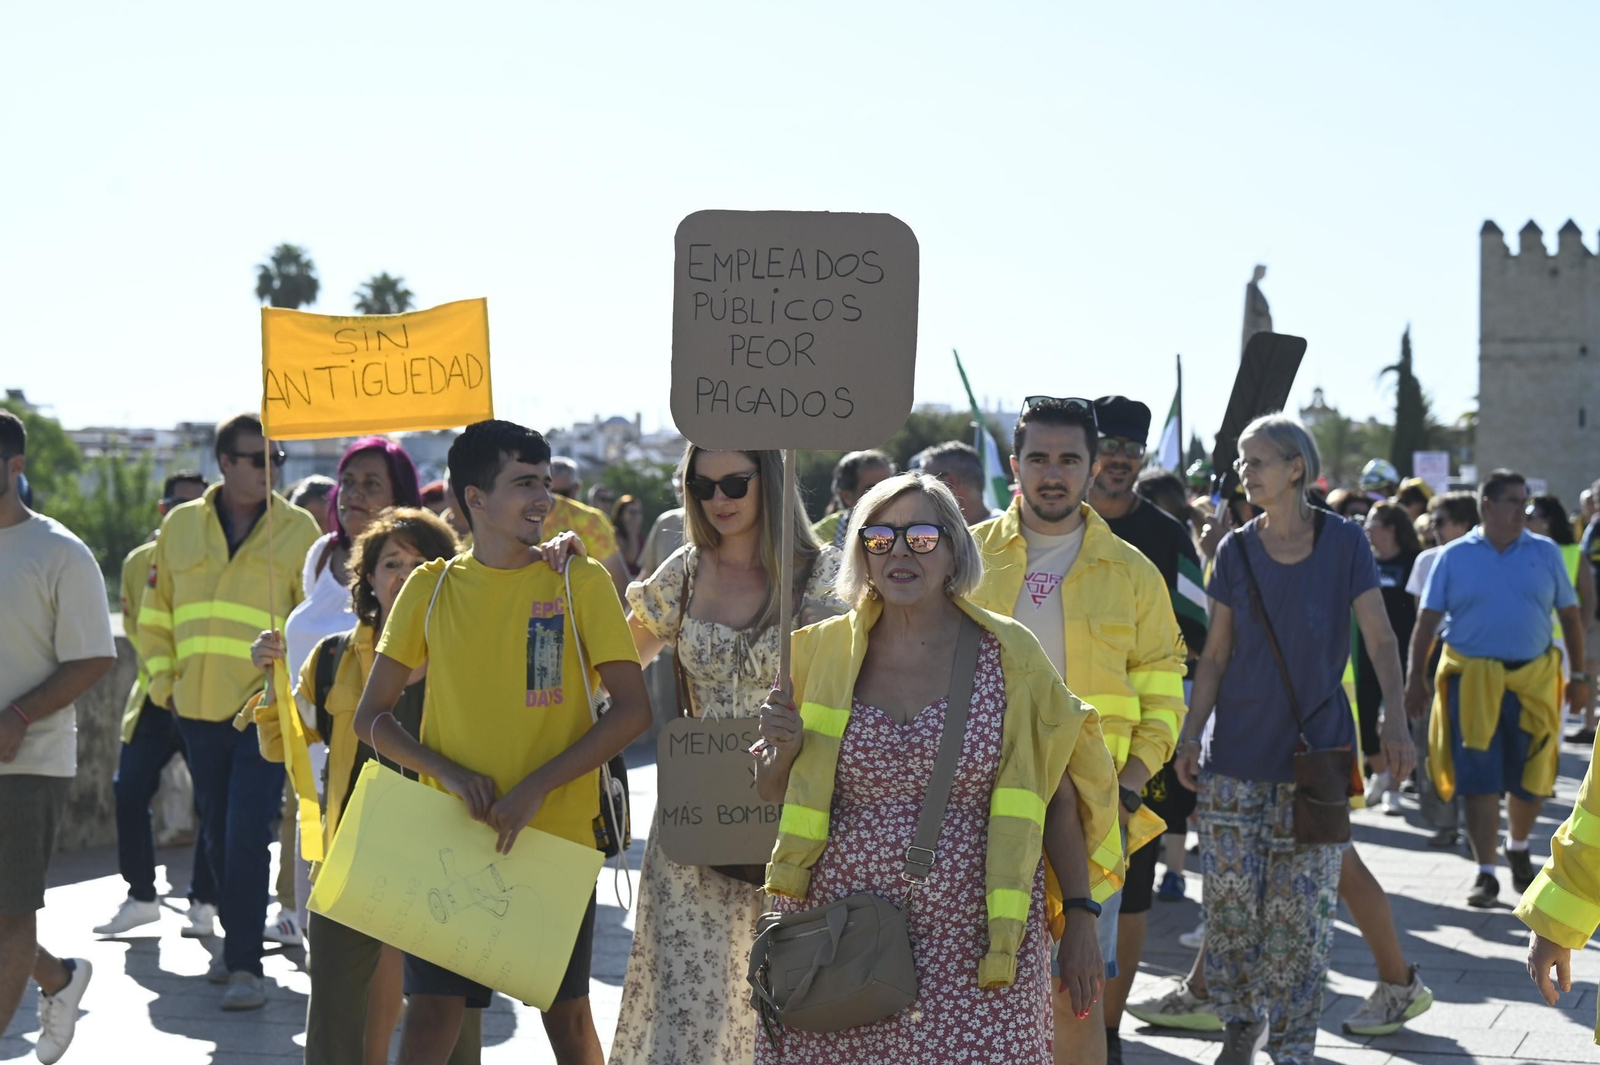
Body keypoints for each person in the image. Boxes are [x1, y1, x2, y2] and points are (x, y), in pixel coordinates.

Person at [751, 472, 1121, 1064]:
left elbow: (1054, 796)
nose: (899, 551)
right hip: (846, 940)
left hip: (978, 945)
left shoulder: (1012, 654)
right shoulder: (815, 652)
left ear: (953, 550)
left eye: (921, 536)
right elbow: (771, 791)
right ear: (861, 554)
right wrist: (782, 752)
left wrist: (1080, 916)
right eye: (880, 538)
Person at [352, 420, 653, 1065]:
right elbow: (370, 718)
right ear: (474, 499)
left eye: (546, 482)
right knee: (431, 1017)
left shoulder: (580, 581)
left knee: (566, 1023)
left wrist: (536, 788)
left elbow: (633, 712)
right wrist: (452, 776)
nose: (543, 498)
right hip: (450, 839)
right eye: (524, 484)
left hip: (556, 838)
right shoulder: (428, 590)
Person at [1173, 414, 1416, 1065]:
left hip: (1318, 760)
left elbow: (1381, 638)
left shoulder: (1345, 543)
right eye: (1243, 461)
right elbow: (1216, 656)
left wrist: (1395, 717)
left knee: (1300, 918)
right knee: (1228, 906)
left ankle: (1295, 1044)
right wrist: (1191, 733)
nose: (1244, 472)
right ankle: (1236, 1026)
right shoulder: (1235, 549)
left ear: (1296, 469)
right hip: (1234, 758)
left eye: (1257, 461)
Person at [968, 396, 1186, 1065]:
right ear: (1014, 466)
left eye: (1068, 458)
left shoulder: (1133, 572)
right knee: (974, 983)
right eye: (1039, 457)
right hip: (974, 806)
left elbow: (1164, 680)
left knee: (1076, 988)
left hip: (1093, 811)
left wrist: (1128, 783)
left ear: (1092, 468)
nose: (1053, 473)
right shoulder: (964, 558)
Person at [609, 446, 843, 1065]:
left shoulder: (824, 575)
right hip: (695, 824)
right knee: (692, 1011)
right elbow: (608, 666)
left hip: (799, 821)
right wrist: (567, 576)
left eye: (736, 482)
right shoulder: (682, 573)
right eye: (702, 483)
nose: (719, 499)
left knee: (791, 1010)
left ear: (769, 480)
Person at [251, 507, 481, 1065]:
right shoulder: (332, 658)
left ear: (448, 573)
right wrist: (271, 680)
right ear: (369, 579)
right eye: (390, 563)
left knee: (454, 1016)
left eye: (422, 562)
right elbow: (283, 742)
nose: (404, 574)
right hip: (353, 849)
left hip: (450, 855)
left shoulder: (476, 658)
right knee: (333, 1014)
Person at [139, 412, 323, 1009]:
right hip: (193, 708)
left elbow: (310, 623)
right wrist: (164, 683)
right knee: (215, 830)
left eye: (279, 460)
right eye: (258, 458)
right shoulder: (180, 528)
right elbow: (154, 610)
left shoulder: (298, 531)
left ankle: (245, 964)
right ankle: (235, 947)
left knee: (247, 831)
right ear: (226, 462)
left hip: (264, 710)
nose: (272, 469)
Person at [1073, 396, 1206, 1058]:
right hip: (1055, 750)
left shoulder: (1169, 537)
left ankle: (1109, 1029)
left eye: (1132, 448)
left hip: (1139, 756)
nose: (1120, 457)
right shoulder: (1054, 529)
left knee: (1130, 893)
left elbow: (1203, 633)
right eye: (1110, 445)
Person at [1404, 470, 1587, 907]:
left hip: (1534, 681)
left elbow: (1570, 614)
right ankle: (1485, 873)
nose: (1523, 511)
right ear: (1487, 505)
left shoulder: (1544, 553)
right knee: (1479, 781)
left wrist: (1580, 678)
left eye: (1526, 502)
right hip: (1472, 682)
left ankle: (1518, 845)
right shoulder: (1453, 557)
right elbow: (1427, 622)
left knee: (1532, 781)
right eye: (1513, 502)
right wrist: (1415, 679)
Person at [269, 436, 422, 948]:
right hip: (312, 763)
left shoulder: (419, 571)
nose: (352, 494)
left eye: (371, 484)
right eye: (347, 482)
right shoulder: (319, 555)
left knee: (384, 932)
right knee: (325, 930)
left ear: (401, 493)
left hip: (381, 764)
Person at [0, 410, 117, 1064]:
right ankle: (59, 979)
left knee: (12, 913)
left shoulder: (61, 552)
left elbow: (95, 656)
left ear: (15, 467)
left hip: (29, 764)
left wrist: (18, 717)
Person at [94, 470, 217, 938]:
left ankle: (205, 902)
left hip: (207, 699)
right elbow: (137, 626)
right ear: (164, 510)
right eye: (178, 506)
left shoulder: (217, 563)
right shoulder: (137, 562)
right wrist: (165, 683)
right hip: (154, 697)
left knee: (213, 802)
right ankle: (141, 897)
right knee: (128, 791)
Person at [1405, 490, 1479, 847]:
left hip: (1475, 662)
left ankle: (1476, 821)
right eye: (1432, 521)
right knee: (1431, 743)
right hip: (1435, 659)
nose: (1433, 528)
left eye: (1442, 521)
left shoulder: (1485, 559)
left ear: (1465, 523)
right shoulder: (1426, 561)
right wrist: (1415, 674)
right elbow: (1423, 620)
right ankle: (1444, 821)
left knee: (1473, 743)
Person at [1355, 502, 1422, 815]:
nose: (1368, 529)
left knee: (1399, 721)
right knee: (1366, 721)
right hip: (1366, 653)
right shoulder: (1363, 560)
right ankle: (1380, 774)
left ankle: (1393, 790)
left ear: (1392, 529)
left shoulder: (1412, 562)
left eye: (1374, 523)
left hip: (1402, 652)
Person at [1526, 494, 1596, 689]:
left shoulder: (1574, 552)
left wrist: (1579, 632)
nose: (1525, 519)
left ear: (1548, 519)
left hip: (1563, 642)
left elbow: (1589, 598)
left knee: (1557, 707)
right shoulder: (1520, 551)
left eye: (1530, 515)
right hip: (1530, 638)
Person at [545, 456, 631, 599]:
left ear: (577, 487)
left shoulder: (591, 521)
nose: (557, 499)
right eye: (550, 492)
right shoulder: (526, 517)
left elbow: (619, 584)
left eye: (563, 493)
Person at [811, 449, 895, 548]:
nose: (885, 495)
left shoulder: (907, 528)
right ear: (847, 497)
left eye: (890, 487)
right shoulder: (817, 540)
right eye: (872, 489)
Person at [912, 440, 1001, 524]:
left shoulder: (1009, 531)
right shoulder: (1008, 529)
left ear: (950, 482)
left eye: (928, 481)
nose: (922, 488)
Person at [1576, 476, 1600, 744]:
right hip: (1594, 609)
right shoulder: (1592, 528)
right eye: (1596, 496)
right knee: (1591, 671)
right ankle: (1590, 725)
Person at [610, 494, 645, 577]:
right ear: (621, 515)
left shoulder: (639, 535)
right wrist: (631, 532)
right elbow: (630, 559)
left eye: (638, 512)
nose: (636, 516)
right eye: (632, 512)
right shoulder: (615, 534)